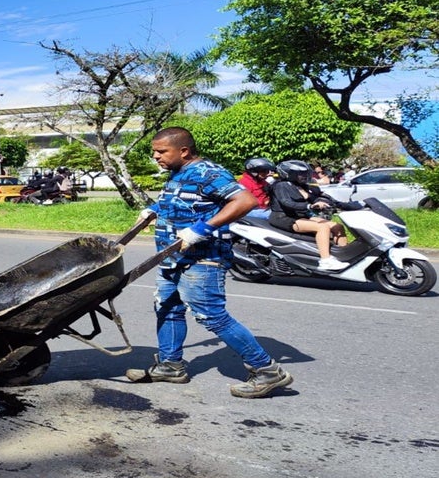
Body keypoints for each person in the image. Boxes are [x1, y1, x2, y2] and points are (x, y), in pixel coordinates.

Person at [126, 127, 294, 399]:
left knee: (211, 315)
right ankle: (170, 366)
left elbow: (245, 200)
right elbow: (179, 204)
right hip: (172, 258)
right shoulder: (177, 174)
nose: (155, 156)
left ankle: (267, 370)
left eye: (161, 151)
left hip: (203, 258)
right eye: (154, 151)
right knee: (167, 308)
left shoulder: (209, 173)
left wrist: (201, 229)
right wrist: (153, 211)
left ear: (183, 150)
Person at [269, 160, 361, 271]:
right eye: (300, 173)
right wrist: (309, 207)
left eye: (304, 173)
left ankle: (343, 257)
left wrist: (354, 205)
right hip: (283, 217)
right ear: (288, 173)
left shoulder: (301, 186)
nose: (303, 176)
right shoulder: (281, 185)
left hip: (300, 216)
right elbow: (286, 202)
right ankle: (325, 261)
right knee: (323, 227)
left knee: (337, 226)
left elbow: (318, 199)